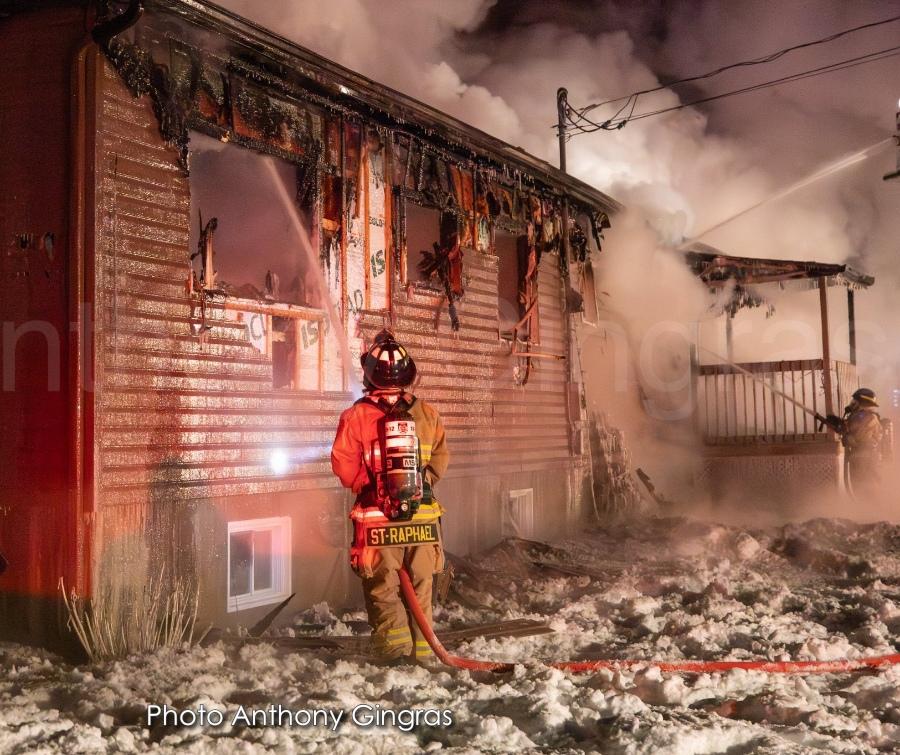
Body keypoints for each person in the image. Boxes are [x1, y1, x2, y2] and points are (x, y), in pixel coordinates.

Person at [331, 330, 449, 663]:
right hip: (423, 521)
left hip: (377, 520)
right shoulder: (427, 414)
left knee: (384, 590)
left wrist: (367, 489)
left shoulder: (355, 416)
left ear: (369, 374)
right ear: (408, 373)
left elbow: (343, 466)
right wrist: (422, 484)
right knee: (421, 589)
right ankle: (424, 653)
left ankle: (395, 655)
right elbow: (440, 459)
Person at [842, 388, 884, 493]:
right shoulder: (861, 417)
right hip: (862, 460)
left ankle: (871, 508)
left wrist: (847, 436)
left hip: (866, 460)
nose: (851, 404)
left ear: (861, 402)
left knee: (867, 492)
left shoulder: (869, 417)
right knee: (860, 491)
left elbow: (858, 438)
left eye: (854, 402)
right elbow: (852, 429)